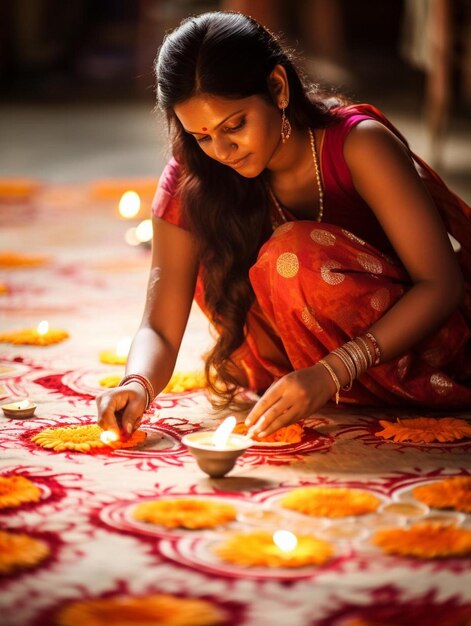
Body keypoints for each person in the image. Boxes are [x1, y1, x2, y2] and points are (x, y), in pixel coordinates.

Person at [97, 11, 471, 442]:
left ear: (277, 87)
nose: (222, 151)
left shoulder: (359, 146)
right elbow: (159, 324)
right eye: (201, 136)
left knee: (289, 255)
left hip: (409, 351)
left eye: (234, 125)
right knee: (205, 240)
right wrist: (136, 385)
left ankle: (343, 388)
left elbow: (441, 286)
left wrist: (330, 373)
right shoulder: (197, 173)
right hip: (296, 367)